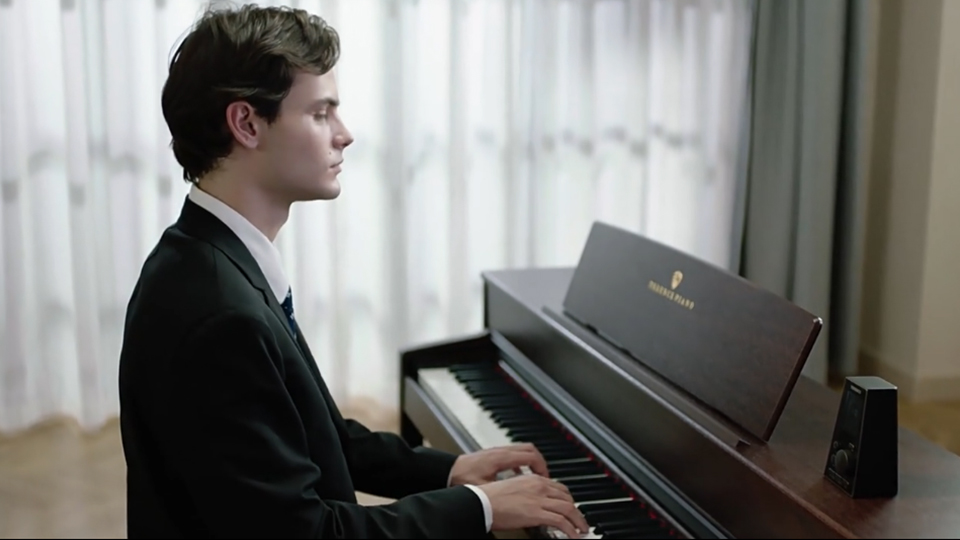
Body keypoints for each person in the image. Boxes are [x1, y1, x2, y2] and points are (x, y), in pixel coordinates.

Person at [117, 4, 589, 539]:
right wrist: (480, 507)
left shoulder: (209, 257)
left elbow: (315, 435)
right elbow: (309, 532)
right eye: (321, 113)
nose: (345, 134)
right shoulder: (220, 313)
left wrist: (450, 470)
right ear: (246, 123)